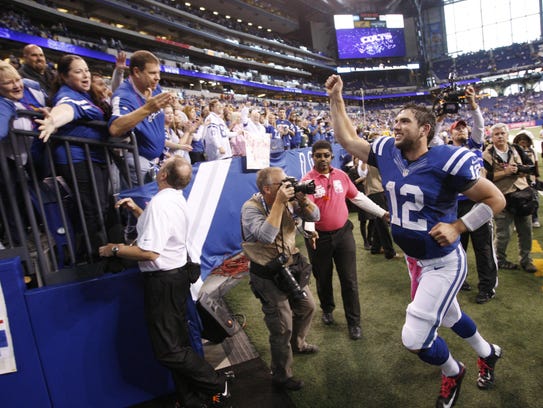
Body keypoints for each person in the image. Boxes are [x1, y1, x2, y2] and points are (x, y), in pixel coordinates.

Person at [325, 74, 505, 407]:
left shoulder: (447, 160)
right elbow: (347, 139)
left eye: (404, 121)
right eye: (395, 120)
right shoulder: (388, 153)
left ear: (424, 129)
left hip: (443, 261)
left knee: (414, 338)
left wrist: (458, 226)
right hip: (416, 261)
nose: (396, 125)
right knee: (450, 317)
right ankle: (488, 352)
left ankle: (453, 370)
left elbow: (495, 199)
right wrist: (336, 98)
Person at [98, 157, 231, 408]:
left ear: (162, 175)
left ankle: (215, 384)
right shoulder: (175, 200)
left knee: (168, 350)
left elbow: (150, 252)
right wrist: (137, 211)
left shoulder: (161, 203)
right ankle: (189, 399)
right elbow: (159, 230)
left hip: (164, 282)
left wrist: (113, 249)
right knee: (177, 344)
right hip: (175, 279)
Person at [241, 166, 319, 391]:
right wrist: (279, 203)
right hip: (266, 273)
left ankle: (298, 344)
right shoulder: (250, 208)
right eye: (282, 184)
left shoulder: (289, 200)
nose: (288, 186)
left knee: (307, 307)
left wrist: (302, 200)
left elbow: (315, 216)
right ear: (267, 189)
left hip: (289, 266)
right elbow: (265, 236)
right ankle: (281, 375)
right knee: (282, 325)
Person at [301, 140, 389, 340]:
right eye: (318, 155)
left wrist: (382, 213)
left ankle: (354, 323)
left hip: (343, 235)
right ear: (312, 157)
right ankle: (327, 309)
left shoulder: (341, 176)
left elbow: (357, 197)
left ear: (332, 156)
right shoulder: (307, 182)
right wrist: (310, 232)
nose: (322, 159)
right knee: (322, 277)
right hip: (319, 239)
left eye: (326, 155)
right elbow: (307, 212)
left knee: (349, 280)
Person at [36, 54, 112, 259]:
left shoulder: (86, 94)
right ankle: (94, 254)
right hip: (78, 159)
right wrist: (52, 121)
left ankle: (94, 249)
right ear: (64, 76)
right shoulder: (67, 94)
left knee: (99, 206)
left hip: (95, 158)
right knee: (91, 208)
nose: (85, 75)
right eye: (78, 72)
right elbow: (66, 109)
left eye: (86, 70)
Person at [439, 86, 499, 304]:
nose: (462, 131)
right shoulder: (444, 150)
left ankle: (487, 287)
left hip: (477, 203)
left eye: (464, 128)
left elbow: (480, 126)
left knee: (483, 248)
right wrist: (442, 112)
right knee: (458, 248)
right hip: (455, 206)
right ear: (451, 133)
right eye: (458, 129)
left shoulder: (475, 146)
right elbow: (433, 137)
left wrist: (473, 105)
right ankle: (460, 280)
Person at [109, 50, 175, 185]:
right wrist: (148, 108)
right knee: (145, 202)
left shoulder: (154, 88)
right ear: (137, 72)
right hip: (139, 161)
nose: (157, 77)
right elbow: (115, 128)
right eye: (152, 73)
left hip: (157, 158)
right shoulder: (123, 95)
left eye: (158, 73)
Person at [0, 61, 48, 246]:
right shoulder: (4, 104)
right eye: (8, 83)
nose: (16, 85)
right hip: (8, 163)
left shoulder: (32, 89)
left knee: (30, 200)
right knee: (12, 205)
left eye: (17, 79)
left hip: (31, 159)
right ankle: (20, 249)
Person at [483, 123, 537, 273]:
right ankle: (499, 259)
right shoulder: (486, 154)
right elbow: (485, 177)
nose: (500, 136)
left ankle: (526, 260)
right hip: (501, 198)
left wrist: (520, 170)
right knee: (503, 233)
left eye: (502, 133)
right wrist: (505, 173)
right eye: (496, 134)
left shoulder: (517, 149)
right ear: (491, 137)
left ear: (507, 135)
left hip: (522, 196)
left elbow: (530, 166)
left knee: (526, 231)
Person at [512, 131, 540, 228]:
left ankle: (535, 218)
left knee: (534, 199)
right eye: (521, 140)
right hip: (519, 179)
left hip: (531, 179)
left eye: (525, 140)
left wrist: (536, 177)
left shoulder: (532, 151)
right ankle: (517, 221)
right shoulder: (513, 152)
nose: (523, 142)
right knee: (519, 200)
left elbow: (535, 164)